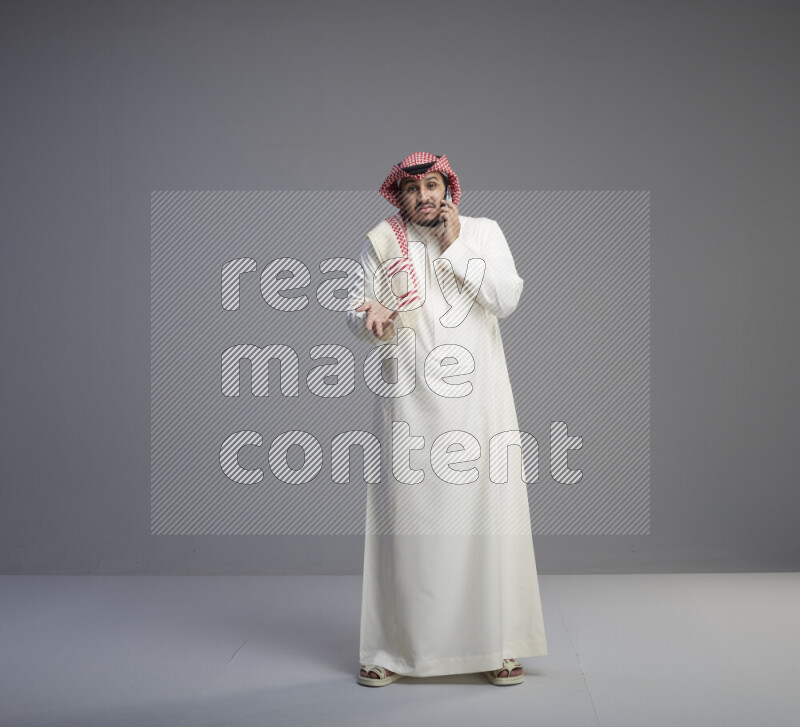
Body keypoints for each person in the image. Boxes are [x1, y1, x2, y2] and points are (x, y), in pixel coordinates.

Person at [345, 152, 547, 687]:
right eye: (413, 190)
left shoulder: (483, 232)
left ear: (448, 188)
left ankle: (498, 644)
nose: (425, 197)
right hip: (407, 402)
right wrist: (371, 318)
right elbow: (355, 307)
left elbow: (505, 298)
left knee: (487, 520)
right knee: (406, 527)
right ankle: (391, 648)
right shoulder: (381, 244)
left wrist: (456, 247)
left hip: (479, 405)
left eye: (432, 186)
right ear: (400, 197)